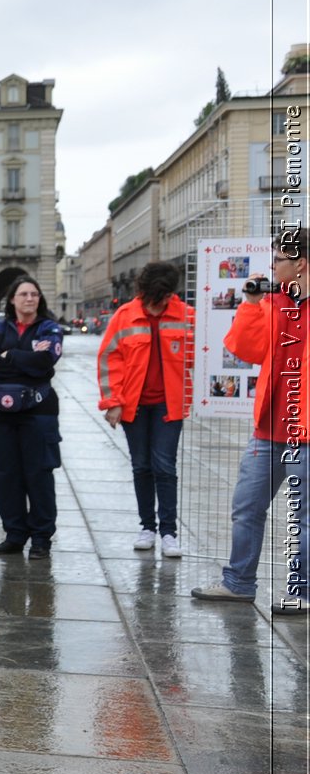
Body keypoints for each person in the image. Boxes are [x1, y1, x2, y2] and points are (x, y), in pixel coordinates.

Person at [193, 230, 308, 614]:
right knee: (246, 506)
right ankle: (239, 583)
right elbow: (245, 348)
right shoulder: (274, 303)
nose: (271, 266)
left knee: (303, 518)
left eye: (278, 260)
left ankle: (302, 593)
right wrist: (251, 303)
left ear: (301, 264)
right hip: (268, 429)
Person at [97, 260, 193, 558]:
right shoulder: (124, 316)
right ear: (143, 294)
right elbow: (108, 359)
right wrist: (112, 402)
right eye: (153, 300)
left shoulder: (187, 315)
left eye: (163, 299)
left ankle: (168, 532)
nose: (157, 305)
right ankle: (147, 527)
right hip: (134, 405)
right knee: (141, 466)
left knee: (164, 466)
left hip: (169, 404)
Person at [0, 276, 65, 559]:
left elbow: (46, 361)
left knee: (38, 473)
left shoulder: (49, 328)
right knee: (5, 474)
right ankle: (15, 534)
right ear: (12, 300)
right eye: (23, 294)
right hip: (2, 413)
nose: (30, 299)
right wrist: (27, 355)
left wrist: (12, 355)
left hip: (39, 412)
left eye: (34, 294)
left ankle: (42, 538)